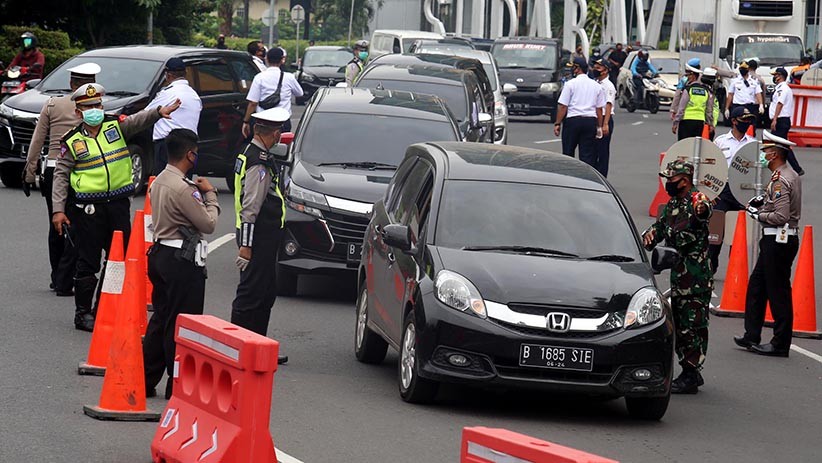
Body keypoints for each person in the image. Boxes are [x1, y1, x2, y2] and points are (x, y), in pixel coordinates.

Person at [51, 84, 180, 332]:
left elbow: (137, 120)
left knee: (117, 260)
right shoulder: (72, 141)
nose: (94, 110)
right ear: (78, 112)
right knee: (88, 263)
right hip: (88, 210)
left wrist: (158, 111)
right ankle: (82, 314)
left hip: (118, 206)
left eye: (97, 105)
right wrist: (59, 209)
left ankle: (105, 308)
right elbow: (61, 175)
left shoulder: (115, 127)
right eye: (88, 107)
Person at [143, 128, 220, 399]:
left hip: (161, 253)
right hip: (182, 262)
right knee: (182, 325)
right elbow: (208, 224)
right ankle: (177, 386)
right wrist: (211, 196)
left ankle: (145, 376)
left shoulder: (160, 181)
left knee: (162, 318)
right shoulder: (184, 189)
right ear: (190, 154)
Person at [22, 63, 100, 296]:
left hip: (53, 170)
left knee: (55, 222)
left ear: (70, 83)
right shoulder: (94, 108)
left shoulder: (53, 104)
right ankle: (68, 276)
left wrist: (29, 171)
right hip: (82, 172)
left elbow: (37, 141)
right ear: (92, 84)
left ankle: (57, 276)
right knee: (77, 225)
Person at [643, 160, 713, 394]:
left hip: (695, 278)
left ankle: (691, 374)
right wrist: (648, 237)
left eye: (670, 180)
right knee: (681, 325)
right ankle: (689, 370)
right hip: (679, 277)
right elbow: (659, 229)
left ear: (683, 180)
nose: (667, 183)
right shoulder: (673, 204)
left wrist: (702, 209)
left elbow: (704, 209)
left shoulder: (696, 200)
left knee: (692, 326)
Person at [734, 131, 802, 358]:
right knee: (757, 287)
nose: (763, 155)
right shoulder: (783, 176)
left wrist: (758, 215)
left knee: (778, 291)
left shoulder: (781, 180)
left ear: (774, 154)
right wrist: (762, 204)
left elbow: (781, 216)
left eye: (765, 152)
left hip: (778, 239)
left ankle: (780, 343)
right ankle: (751, 334)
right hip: (774, 240)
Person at [232, 107, 290, 364]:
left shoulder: (248, 153)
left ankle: (259, 348)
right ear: (275, 134)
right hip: (258, 237)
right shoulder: (259, 162)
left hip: (262, 236)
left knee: (266, 292)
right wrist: (246, 245)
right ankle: (239, 347)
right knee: (250, 295)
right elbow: (251, 207)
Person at [709, 107, 757, 273]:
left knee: (738, 234)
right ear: (734, 121)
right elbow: (711, 168)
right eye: (743, 119)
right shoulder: (720, 141)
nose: (747, 123)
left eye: (749, 120)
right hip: (722, 190)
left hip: (743, 192)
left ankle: (735, 269)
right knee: (715, 233)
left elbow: (759, 172)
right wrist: (711, 192)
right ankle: (711, 266)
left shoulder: (753, 144)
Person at [145, 58, 202, 175]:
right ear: (185, 73)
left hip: (168, 147)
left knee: (164, 183)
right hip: (189, 146)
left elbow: (146, 114)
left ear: (168, 75)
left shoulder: (169, 93)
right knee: (184, 184)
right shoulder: (194, 95)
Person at [553, 57, 605, 169]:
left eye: (573, 67)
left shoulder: (570, 84)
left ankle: (569, 176)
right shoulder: (596, 86)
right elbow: (599, 109)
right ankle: (585, 180)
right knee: (587, 155)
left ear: (577, 68)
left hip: (573, 121)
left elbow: (563, 106)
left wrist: (557, 123)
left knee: (568, 152)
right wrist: (599, 126)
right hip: (590, 121)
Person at [242, 47, 303, 137]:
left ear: (266, 59)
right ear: (282, 60)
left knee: (262, 146)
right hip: (283, 121)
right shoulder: (289, 77)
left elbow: (253, 103)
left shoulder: (259, 77)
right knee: (282, 147)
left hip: (263, 121)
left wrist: (245, 122)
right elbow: (300, 93)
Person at [769, 67, 804, 175]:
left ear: (780, 76)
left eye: (775, 75)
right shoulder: (781, 88)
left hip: (781, 120)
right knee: (780, 145)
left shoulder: (783, 89)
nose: (774, 77)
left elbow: (780, 104)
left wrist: (775, 119)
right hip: (781, 120)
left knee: (779, 145)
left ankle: (795, 168)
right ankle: (793, 168)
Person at [673, 63, 716, 140]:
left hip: (686, 121)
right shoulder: (706, 91)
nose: (687, 78)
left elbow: (681, 108)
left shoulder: (688, 89)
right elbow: (709, 110)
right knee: (695, 145)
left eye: (688, 75)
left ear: (693, 76)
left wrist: (675, 122)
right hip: (699, 122)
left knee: (683, 144)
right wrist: (710, 124)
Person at [723, 61, 764, 128]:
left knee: (750, 127)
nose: (742, 70)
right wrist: (727, 108)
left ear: (748, 69)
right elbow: (730, 94)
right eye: (741, 69)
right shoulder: (735, 81)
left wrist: (761, 105)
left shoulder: (754, 81)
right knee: (736, 125)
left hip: (750, 107)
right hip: (737, 106)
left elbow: (758, 93)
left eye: (744, 69)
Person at [592, 58, 615, 177]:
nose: (595, 69)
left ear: (605, 71)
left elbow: (608, 105)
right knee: (593, 149)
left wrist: (604, 124)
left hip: (605, 119)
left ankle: (602, 176)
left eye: (598, 68)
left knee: (602, 151)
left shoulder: (608, 86)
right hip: (596, 119)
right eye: (595, 67)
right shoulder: (595, 82)